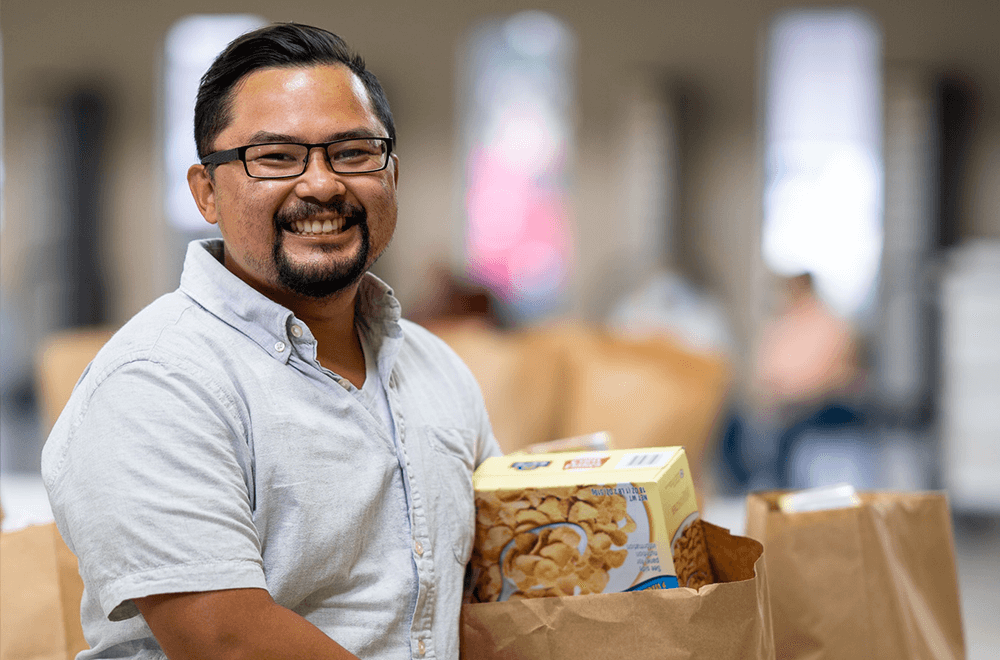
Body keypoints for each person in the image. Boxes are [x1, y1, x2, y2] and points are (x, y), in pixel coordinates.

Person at [41, 23, 501, 660]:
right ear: (207, 192)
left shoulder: (435, 366)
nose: (321, 184)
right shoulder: (159, 380)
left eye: (352, 152)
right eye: (277, 157)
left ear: (391, 174)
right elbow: (227, 641)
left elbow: (488, 588)